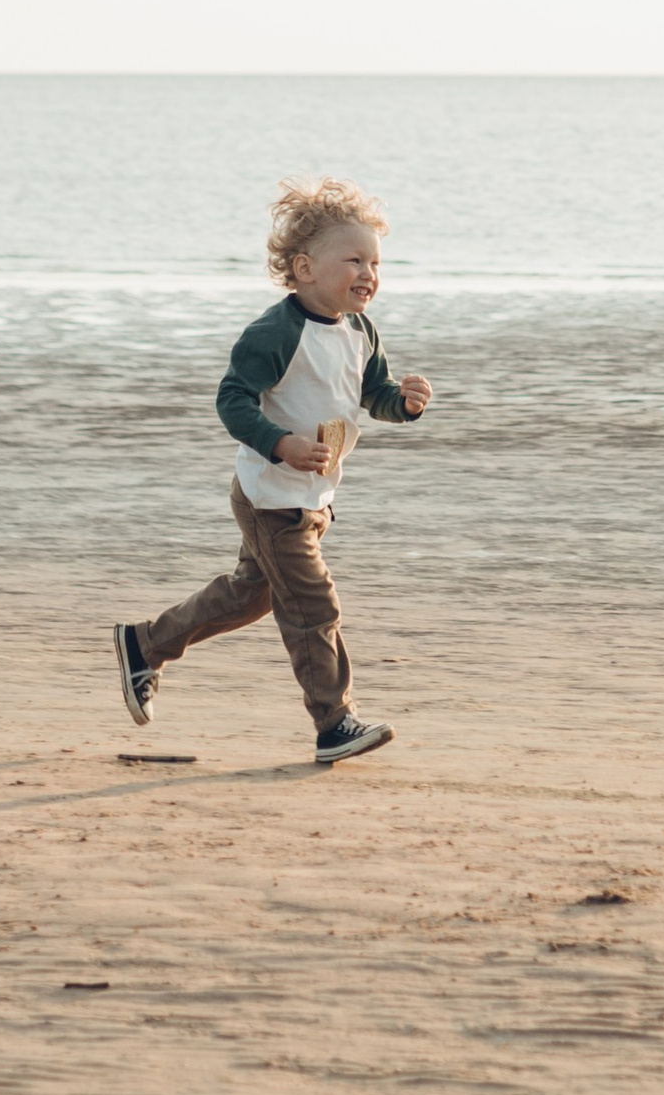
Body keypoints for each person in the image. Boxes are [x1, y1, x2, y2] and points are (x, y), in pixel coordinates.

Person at [116, 179, 433, 765]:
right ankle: (334, 724)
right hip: (270, 495)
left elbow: (374, 394)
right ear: (306, 267)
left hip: (313, 495)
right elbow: (232, 399)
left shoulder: (360, 332)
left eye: (376, 262)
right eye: (354, 260)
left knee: (247, 598)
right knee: (313, 604)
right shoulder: (275, 334)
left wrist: (405, 404)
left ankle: (144, 644)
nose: (369, 273)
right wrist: (278, 443)